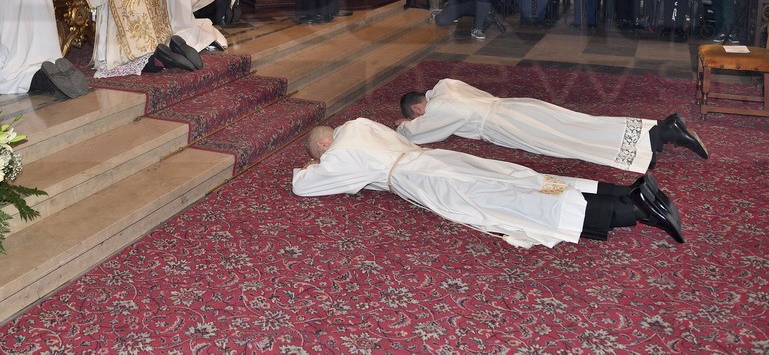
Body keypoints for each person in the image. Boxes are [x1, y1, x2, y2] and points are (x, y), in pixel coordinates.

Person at [292, 118, 685, 248]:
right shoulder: (359, 125)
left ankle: (633, 210)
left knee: (506, 203)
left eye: (318, 153)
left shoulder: (338, 153)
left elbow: (304, 186)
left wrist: (310, 166)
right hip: (433, 159)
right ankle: (626, 193)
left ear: (323, 145)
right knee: (520, 179)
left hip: (423, 178)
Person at [396, 78, 707, 173]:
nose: (420, 117)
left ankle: (661, 133)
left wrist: (403, 127)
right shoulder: (446, 85)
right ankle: (657, 133)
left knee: (568, 139)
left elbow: (422, 132)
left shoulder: (439, 107)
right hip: (515, 105)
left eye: (416, 114)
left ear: (417, 109)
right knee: (579, 124)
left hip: (505, 123)